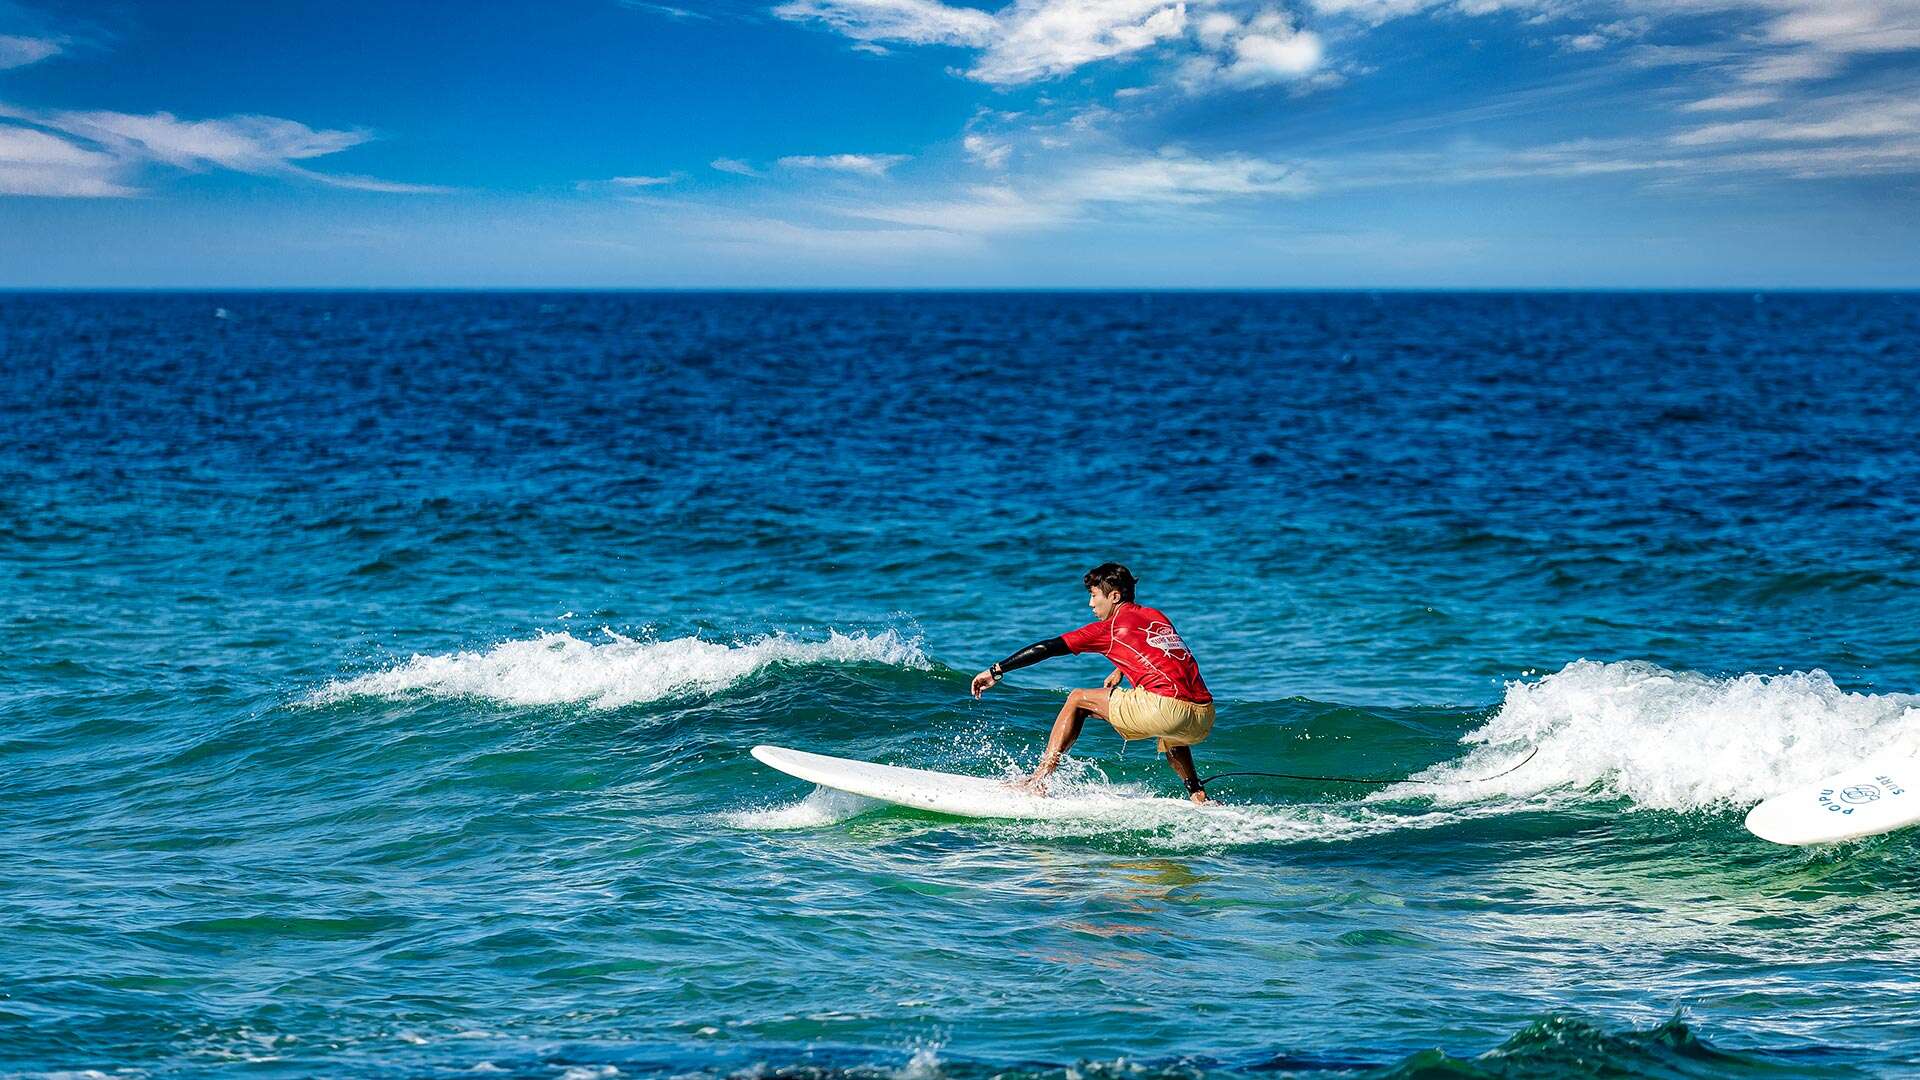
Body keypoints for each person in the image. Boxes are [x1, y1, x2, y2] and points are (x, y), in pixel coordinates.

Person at [970, 563, 1216, 803]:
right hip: (1203, 715)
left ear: (1114, 596)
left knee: (1078, 698)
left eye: (1094, 595)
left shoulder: (1108, 629)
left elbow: (1048, 648)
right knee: (1172, 732)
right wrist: (1120, 669)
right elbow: (1160, 652)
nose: (1090, 603)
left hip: (1164, 709)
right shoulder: (1156, 616)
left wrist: (996, 671)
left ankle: (1039, 780)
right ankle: (1197, 793)